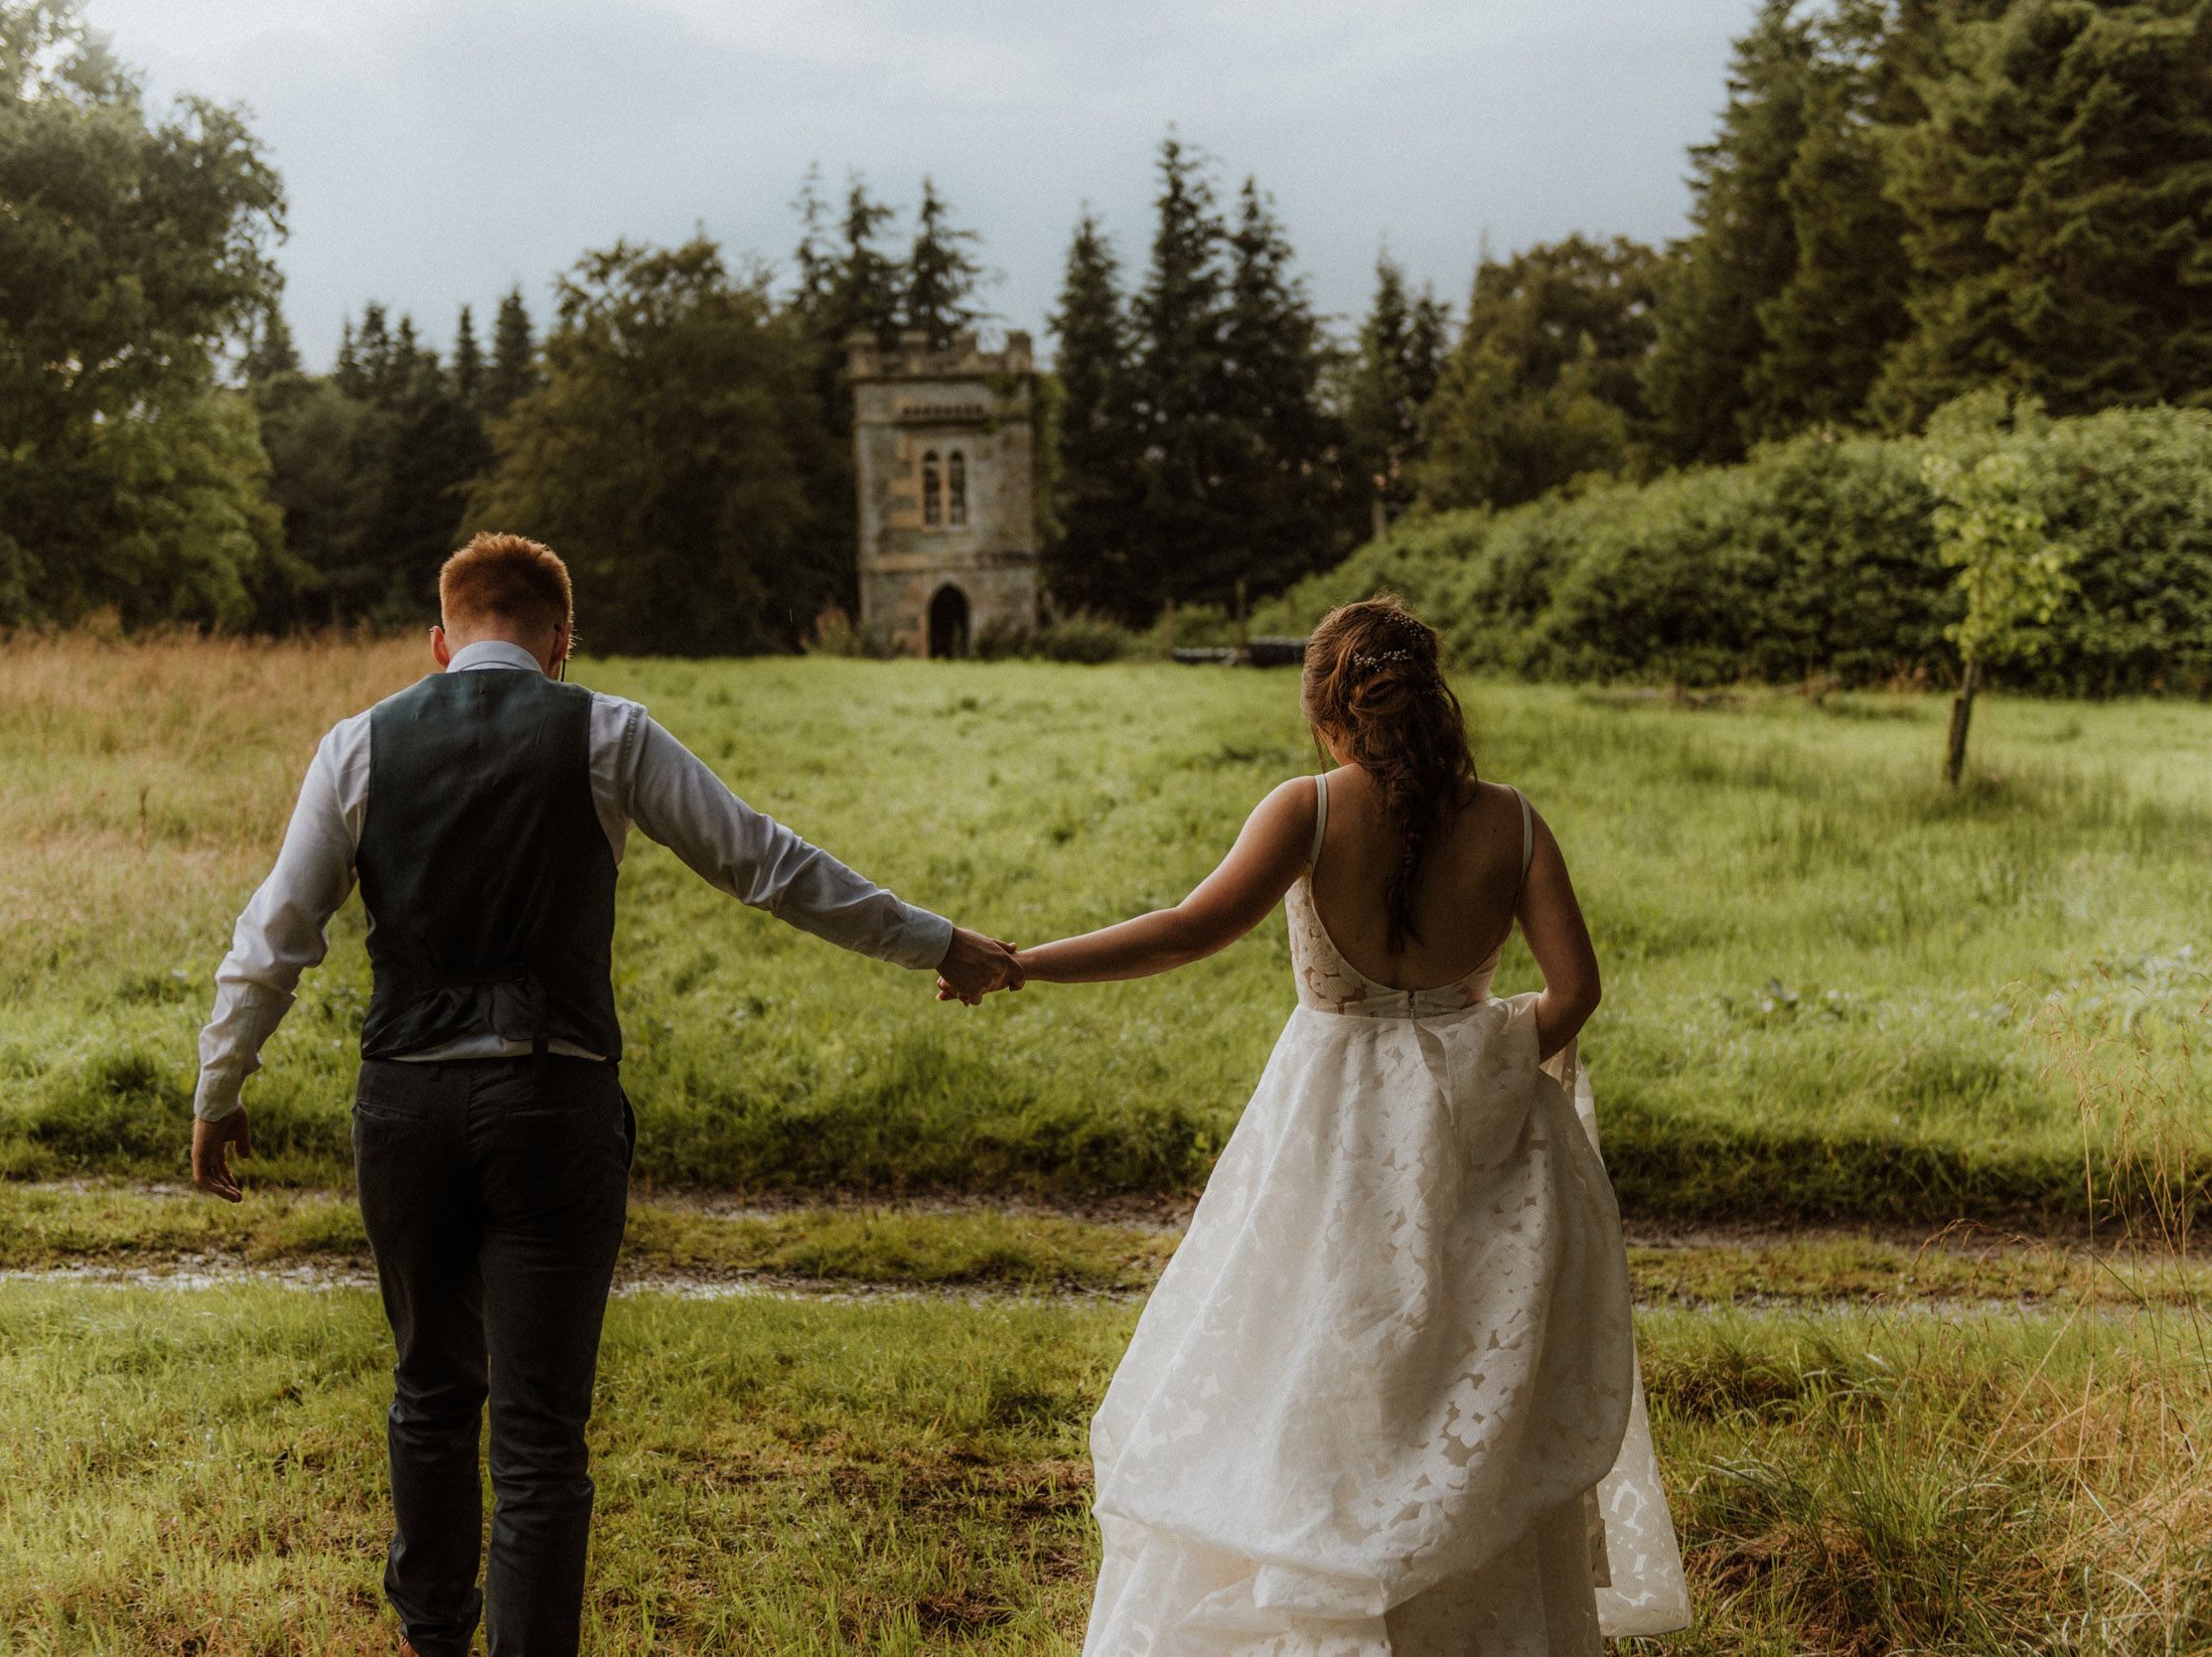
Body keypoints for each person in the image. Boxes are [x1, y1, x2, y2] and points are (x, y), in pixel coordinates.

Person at [189, 531, 1023, 1657]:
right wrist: (934, 942)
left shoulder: (357, 746)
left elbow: (274, 938)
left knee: (430, 1392)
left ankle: (431, 1639)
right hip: (553, 1105)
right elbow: (766, 863)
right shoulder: (609, 731)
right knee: (539, 1437)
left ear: (441, 642)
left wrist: (219, 1084)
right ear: (560, 643)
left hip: (408, 1113)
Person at [969, 597, 1689, 1652]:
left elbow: (1183, 933)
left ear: (1325, 711)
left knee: (1307, 1351)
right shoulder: (1513, 822)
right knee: (1449, 1368)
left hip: (1327, 1129)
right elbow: (1574, 992)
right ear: (1436, 699)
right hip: (1471, 1143)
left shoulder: (1303, 810)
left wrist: (1024, 962)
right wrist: (1478, 1059)